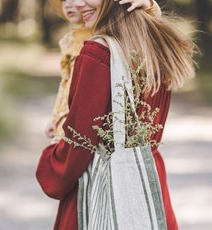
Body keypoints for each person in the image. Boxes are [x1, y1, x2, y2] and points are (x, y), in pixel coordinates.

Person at [36, 0, 196, 230]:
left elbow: (78, 148)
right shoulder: (157, 41)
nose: (79, 2)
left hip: (98, 192)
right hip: (151, 196)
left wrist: (49, 162)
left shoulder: (98, 52)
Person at [45, 0, 161, 141]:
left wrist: (149, 5)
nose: (73, 4)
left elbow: (146, 25)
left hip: (94, 117)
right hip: (70, 112)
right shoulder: (69, 41)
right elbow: (65, 82)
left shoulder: (106, 31)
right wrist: (55, 117)